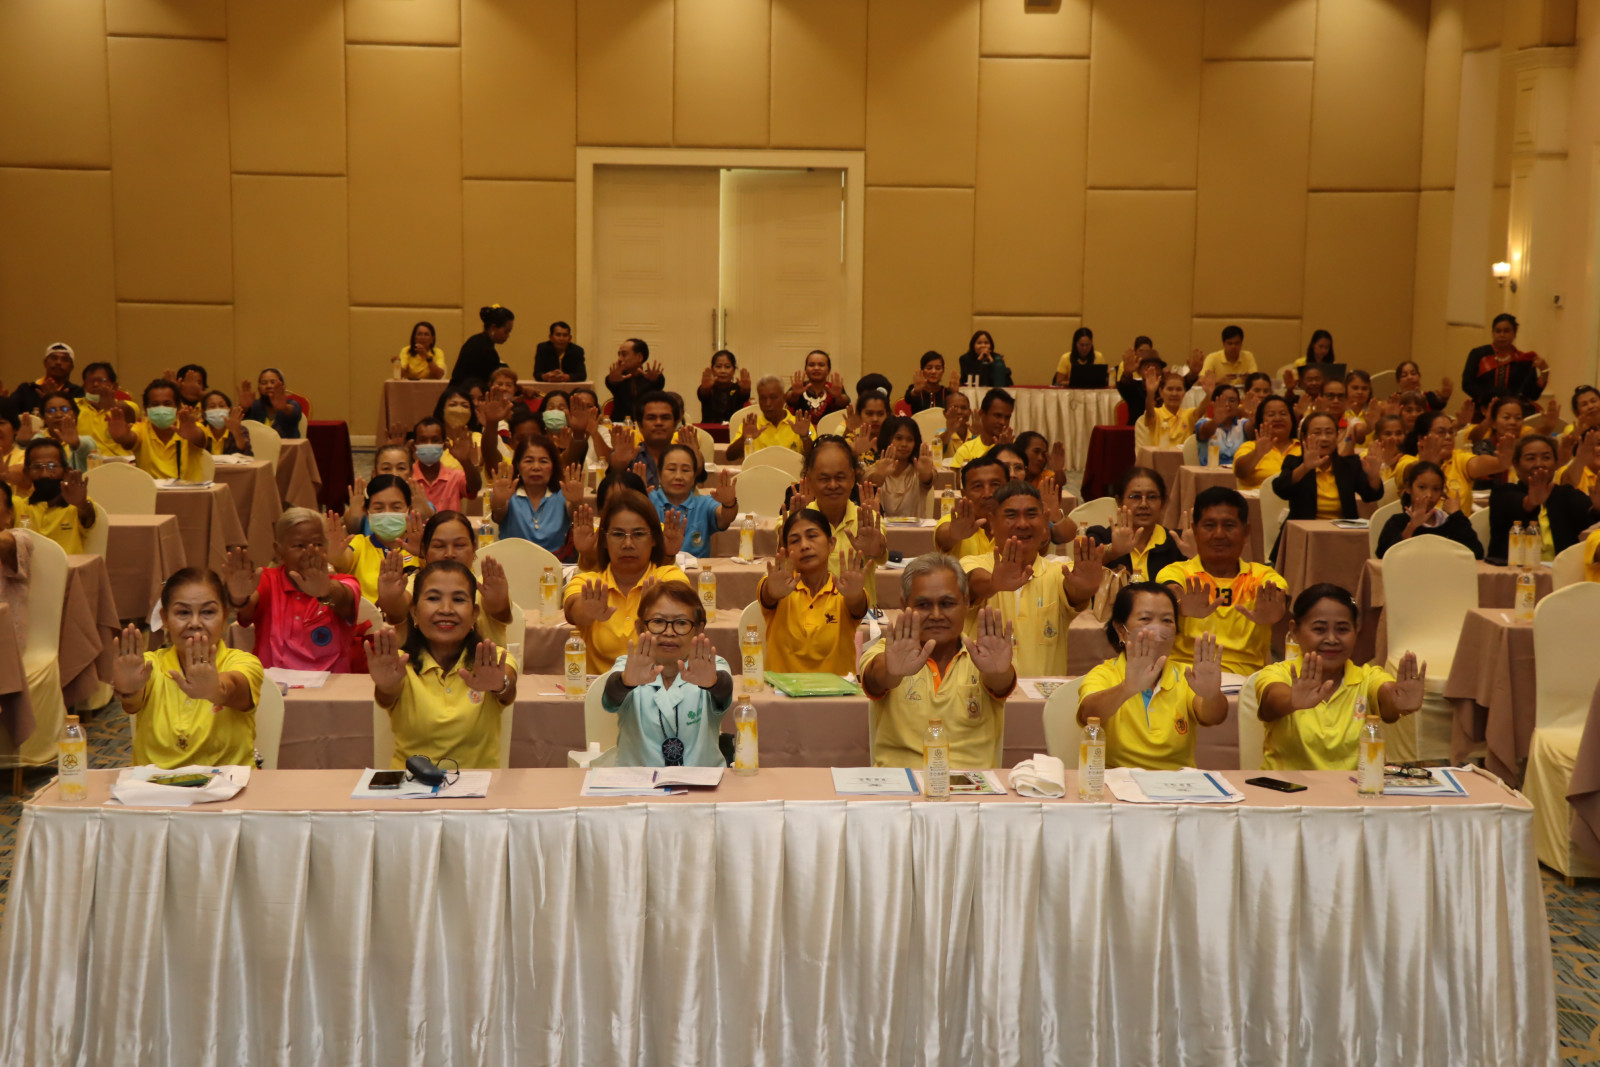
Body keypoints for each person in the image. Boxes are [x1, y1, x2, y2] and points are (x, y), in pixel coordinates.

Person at [861, 555, 1016, 769]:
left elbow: (1000, 681)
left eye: (947, 604)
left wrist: (998, 673)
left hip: (970, 785)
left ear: (967, 602)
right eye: (923, 604)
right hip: (901, 782)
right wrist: (891, 672)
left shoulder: (985, 657)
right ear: (904, 605)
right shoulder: (887, 652)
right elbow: (877, 677)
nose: (936, 615)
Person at [1255, 584, 1424, 770]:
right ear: (1294, 631)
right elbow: (1272, 702)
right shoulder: (1278, 673)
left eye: (1342, 629)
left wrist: (1399, 702)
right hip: (1287, 788)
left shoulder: (1368, 677)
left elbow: (1387, 700)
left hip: (1355, 787)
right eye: (1319, 629)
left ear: (1356, 630)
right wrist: (1292, 701)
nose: (1332, 639)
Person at [369, 561, 518, 769]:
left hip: (479, 787)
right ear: (414, 613)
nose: (446, 609)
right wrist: (385, 686)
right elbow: (386, 696)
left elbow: (508, 689)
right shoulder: (399, 663)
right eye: (433, 598)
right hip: (410, 785)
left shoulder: (493, 659)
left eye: (458, 599)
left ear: (474, 614)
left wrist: (498, 684)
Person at [110, 568, 264, 768]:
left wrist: (215, 689)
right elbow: (132, 704)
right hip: (155, 785)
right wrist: (128, 691)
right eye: (183, 613)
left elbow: (236, 689)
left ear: (225, 616)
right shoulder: (149, 665)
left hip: (228, 784)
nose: (195, 623)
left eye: (208, 612)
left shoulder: (244, 662)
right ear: (165, 618)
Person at [1078, 585, 1229, 769]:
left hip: (1177, 781)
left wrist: (1212, 695)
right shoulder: (1104, 673)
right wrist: (1127, 688)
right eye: (1145, 619)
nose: (1157, 630)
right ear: (1121, 630)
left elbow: (1213, 717)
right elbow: (1088, 715)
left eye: (1167, 620)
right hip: (1118, 780)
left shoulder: (1187, 674)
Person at [961, 482, 1104, 676]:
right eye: (1011, 515)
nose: (1022, 524)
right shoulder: (971, 563)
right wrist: (994, 583)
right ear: (992, 523)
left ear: (1045, 522)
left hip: (1041, 695)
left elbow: (1074, 591)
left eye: (1031, 515)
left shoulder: (1060, 570)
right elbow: (972, 584)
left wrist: (1085, 589)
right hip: (983, 693)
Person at [1158, 486, 1288, 676]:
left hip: (1245, 679)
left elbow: (1279, 602)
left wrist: (1275, 614)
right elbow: (1169, 593)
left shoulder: (1263, 576)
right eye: (1209, 526)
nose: (1219, 534)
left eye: (1229, 526)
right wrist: (1178, 606)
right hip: (1185, 676)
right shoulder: (1177, 572)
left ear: (1246, 532)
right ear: (1195, 531)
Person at [601, 581, 732, 767]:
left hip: (703, 780)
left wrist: (713, 683)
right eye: (658, 622)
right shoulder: (628, 666)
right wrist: (626, 683)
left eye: (681, 623)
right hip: (638, 781)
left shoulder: (710, 666)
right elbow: (611, 696)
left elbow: (724, 689)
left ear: (699, 629)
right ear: (640, 628)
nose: (669, 632)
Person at [563, 488, 690, 674]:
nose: (628, 544)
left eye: (638, 534)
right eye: (618, 534)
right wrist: (587, 610)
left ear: (654, 539)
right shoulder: (588, 582)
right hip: (600, 689)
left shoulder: (669, 577)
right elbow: (573, 610)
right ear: (604, 540)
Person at [222, 508, 363, 672]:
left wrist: (326, 592)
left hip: (331, 684)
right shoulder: (268, 579)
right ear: (278, 550)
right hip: (275, 685)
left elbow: (345, 600)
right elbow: (247, 611)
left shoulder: (346, 581)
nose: (310, 552)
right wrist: (239, 597)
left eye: (318, 544)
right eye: (299, 546)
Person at [759, 509, 870, 676]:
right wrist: (772, 593)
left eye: (812, 536)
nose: (804, 546)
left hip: (837, 690)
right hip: (780, 690)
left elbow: (857, 605)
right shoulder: (777, 585)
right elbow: (768, 596)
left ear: (831, 543)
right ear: (787, 551)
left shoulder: (846, 590)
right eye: (795, 540)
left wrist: (854, 596)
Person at [787, 436, 888, 598]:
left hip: (861, 612)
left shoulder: (868, 520)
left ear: (853, 478)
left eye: (840, 477)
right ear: (809, 480)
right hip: (806, 611)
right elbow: (782, 558)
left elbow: (879, 550)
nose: (833, 485)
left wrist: (876, 548)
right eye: (824, 478)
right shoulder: (794, 519)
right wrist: (788, 531)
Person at [1487, 435, 1600, 563]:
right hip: (1511, 571)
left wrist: (1597, 509)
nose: (1539, 464)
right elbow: (1517, 505)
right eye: (1531, 458)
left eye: (1546, 458)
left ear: (1556, 463)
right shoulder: (1503, 493)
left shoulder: (1565, 494)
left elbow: (1590, 520)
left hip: (1561, 572)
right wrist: (1531, 502)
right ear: (1516, 464)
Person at [1269, 412, 1385, 528]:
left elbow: (1370, 496)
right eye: (1317, 433)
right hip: (1303, 531)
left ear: (1337, 435)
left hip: (1342, 532)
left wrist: (1373, 476)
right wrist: (1305, 468)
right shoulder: (1294, 462)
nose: (1324, 438)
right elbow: (1281, 490)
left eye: (1329, 433)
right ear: (1304, 437)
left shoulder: (1350, 465)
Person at [1393, 410, 1508, 517]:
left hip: (1457, 528)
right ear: (1422, 438)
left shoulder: (1458, 459)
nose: (1448, 437)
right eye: (1441, 432)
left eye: (1451, 432)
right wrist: (1426, 464)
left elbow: (1479, 463)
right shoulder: (1407, 460)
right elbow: (1409, 472)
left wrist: (1503, 462)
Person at [1084, 467, 1190, 582]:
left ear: (1163, 503)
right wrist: (1113, 551)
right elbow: (1084, 566)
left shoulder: (1179, 543)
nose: (1144, 504)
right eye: (1135, 497)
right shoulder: (1101, 536)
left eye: (1152, 497)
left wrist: (1195, 556)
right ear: (1119, 502)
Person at [332, 474, 421, 606]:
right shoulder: (359, 543)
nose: (387, 513)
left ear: (409, 509)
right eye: (379, 508)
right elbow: (343, 560)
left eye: (396, 507)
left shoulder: (420, 548)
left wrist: (422, 552)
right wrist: (335, 554)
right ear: (366, 511)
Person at [490, 435, 580, 557]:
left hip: (556, 563)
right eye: (529, 461)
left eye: (543, 461)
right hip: (512, 563)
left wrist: (576, 502)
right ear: (518, 465)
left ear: (553, 467)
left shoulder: (563, 495)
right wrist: (500, 500)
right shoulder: (507, 495)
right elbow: (498, 513)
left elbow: (574, 515)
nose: (536, 467)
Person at [1375, 461, 1483, 559]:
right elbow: (1383, 555)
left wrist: (1456, 514)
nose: (1429, 495)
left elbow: (1476, 553)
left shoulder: (1449, 522)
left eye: (1436, 489)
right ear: (1408, 488)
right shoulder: (1398, 521)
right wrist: (1412, 527)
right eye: (1422, 487)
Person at [107, 379, 208, 481]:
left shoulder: (191, 426)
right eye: (155, 404)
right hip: (151, 490)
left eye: (167, 404)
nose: (161, 409)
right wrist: (121, 437)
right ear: (146, 409)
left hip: (189, 490)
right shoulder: (140, 429)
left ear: (178, 407)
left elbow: (200, 439)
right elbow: (129, 439)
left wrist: (194, 435)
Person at [650, 443, 736, 557]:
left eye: (685, 470)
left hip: (696, 568)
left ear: (694, 476)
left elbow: (725, 517)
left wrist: (729, 503)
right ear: (659, 475)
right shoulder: (648, 500)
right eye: (671, 469)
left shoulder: (704, 503)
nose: (678, 476)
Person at [15, 439, 94, 553]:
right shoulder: (18, 506)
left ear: (66, 472)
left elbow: (87, 515)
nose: (45, 474)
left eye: (52, 466)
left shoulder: (78, 505)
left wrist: (82, 504)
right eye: (37, 467)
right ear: (27, 473)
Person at [607, 390, 694, 489]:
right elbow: (611, 488)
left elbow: (700, 482)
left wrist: (695, 458)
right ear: (640, 425)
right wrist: (618, 466)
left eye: (665, 417)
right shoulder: (629, 456)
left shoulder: (685, 456)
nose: (658, 423)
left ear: (675, 423)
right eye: (651, 418)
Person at [1461, 313, 1547, 406]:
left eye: (1506, 331)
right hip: (1483, 408)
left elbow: (1533, 395)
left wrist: (1545, 372)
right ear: (1493, 333)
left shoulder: (1524, 360)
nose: (1502, 335)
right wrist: (1486, 400)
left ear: (1514, 333)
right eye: (1498, 331)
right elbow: (1467, 384)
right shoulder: (1479, 354)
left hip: (1513, 410)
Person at [727, 375, 813, 462]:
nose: (768, 403)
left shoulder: (800, 424)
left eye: (773, 398)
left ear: (784, 398)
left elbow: (814, 457)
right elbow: (730, 456)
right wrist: (744, 439)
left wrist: (805, 437)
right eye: (763, 398)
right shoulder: (751, 426)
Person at [936, 454, 1006, 559]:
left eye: (995, 484)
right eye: (978, 486)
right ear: (964, 494)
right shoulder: (956, 521)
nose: (987, 494)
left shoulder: (1019, 524)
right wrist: (953, 534)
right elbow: (943, 536)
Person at [866, 415, 934, 519]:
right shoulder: (875, 468)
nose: (904, 444)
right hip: (881, 528)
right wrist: (880, 475)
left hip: (915, 529)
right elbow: (869, 484)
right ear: (888, 439)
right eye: (898, 438)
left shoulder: (919, 470)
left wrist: (925, 472)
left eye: (910, 440)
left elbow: (927, 479)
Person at [410, 416, 478, 514]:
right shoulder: (407, 476)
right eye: (423, 440)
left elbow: (475, 487)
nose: (429, 444)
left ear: (444, 446)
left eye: (435, 440)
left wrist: (465, 461)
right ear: (414, 446)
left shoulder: (455, 476)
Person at [1230, 396, 1297, 490]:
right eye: (1271, 415)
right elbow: (1240, 472)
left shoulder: (1305, 447)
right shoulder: (1250, 446)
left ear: (1292, 420)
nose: (1278, 418)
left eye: (1283, 414)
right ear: (1261, 421)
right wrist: (1257, 453)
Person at [74, 362, 139, 457]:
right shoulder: (73, 405)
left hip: (120, 462)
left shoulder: (127, 405)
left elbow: (130, 413)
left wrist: (112, 406)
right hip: (85, 462)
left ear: (114, 386)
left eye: (102, 380)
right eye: (91, 381)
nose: (96, 384)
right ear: (83, 386)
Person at [11, 343, 82, 414]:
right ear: (45, 363)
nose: (58, 362)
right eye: (54, 358)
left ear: (71, 367)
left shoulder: (78, 392)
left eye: (64, 359)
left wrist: (52, 397)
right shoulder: (26, 389)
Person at [605, 338, 665, 421]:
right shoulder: (619, 378)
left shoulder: (650, 377)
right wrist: (612, 380)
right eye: (619, 354)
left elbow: (658, 382)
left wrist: (655, 379)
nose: (620, 359)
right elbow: (611, 382)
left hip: (647, 424)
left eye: (624, 354)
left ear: (639, 357)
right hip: (620, 424)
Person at [452, 305, 514, 384]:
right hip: (467, 390)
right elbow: (494, 382)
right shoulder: (487, 351)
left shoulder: (474, 340)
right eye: (506, 331)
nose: (508, 336)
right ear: (493, 327)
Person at [951, 388, 1014, 465]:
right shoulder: (966, 451)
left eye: (1007, 417)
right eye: (998, 416)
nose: (1002, 422)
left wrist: (1008, 451)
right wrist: (998, 451)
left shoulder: (1015, 447)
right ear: (982, 414)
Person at [36, 392, 98, 471]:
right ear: (43, 416)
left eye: (65, 409)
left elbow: (88, 449)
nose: (58, 415)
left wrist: (76, 443)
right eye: (51, 410)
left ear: (75, 413)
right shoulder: (37, 439)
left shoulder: (85, 440)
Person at [1194, 382, 1248, 465]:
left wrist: (1252, 416)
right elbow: (1204, 432)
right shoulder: (1203, 422)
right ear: (1213, 403)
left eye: (1232, 401)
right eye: (1223, 401)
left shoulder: (1243, 424)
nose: (1227, 405)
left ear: (1238, 404)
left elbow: (1253, 429)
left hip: (1237, 472)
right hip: (1210, 472)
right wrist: (1216, 421)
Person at [1141, 369, 1198, 446]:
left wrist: (1209, 395)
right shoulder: (1156, 413)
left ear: (1184, 393)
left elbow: (1201, 411)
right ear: (1161, 392)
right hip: (1159, 453)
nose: (1174, 393)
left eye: (1179, 389)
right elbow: (1149, 412)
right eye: (1170, 389)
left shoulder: (1188, 414)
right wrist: (1150, 392)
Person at [240, 369, 303, 439]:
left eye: (273, 382)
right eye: (264, 383)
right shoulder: (254, 406)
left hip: (286, 446)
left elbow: (295, 413)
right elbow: (238, 426)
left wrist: (284, 408)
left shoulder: (291, 403)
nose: (269, 386)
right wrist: (244, 408)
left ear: (282, 387)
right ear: (259, 389)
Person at [786, 349, 849, 418]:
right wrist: (795, 395)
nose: (816, 368)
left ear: (828, 369)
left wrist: (838, 397)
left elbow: (844, 404)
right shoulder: (799, 387)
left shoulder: (834, 387)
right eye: (811, 365)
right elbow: (788, 400)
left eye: (821, 365)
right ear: (805, 369)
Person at [697, 349, 750, 423]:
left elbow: (744, 395)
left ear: (734, 370)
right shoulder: (708, 388)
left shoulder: (738, 388)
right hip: (709, 429)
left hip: (734, 429)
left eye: (727, 367)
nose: (723, 371)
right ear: (712, 369)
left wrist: (746, 390)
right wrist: (705, 388)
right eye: (718, 367)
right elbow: (704, 393)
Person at [842, 390, 891, 462]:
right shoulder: (851, 440)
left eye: (880, 414)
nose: (875, 419)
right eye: (869, 414)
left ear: (887, 414)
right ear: (859, 415)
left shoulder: (895, 440)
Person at [199, 390, 250, 455]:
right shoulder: (200, 431)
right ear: (204, 414)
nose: (217, 409)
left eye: (222, 406)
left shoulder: (240, 429)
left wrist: (236, 432)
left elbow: (245, 453)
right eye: (212, 406)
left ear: (229, 410)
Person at [934, 390, 972, 457]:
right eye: (954, 408)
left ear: (970, 412)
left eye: (964, 408)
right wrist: (949, 432)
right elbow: (937, 445)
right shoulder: (942, 433)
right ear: (945, 414)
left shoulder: (974, 433)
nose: (959, 412)